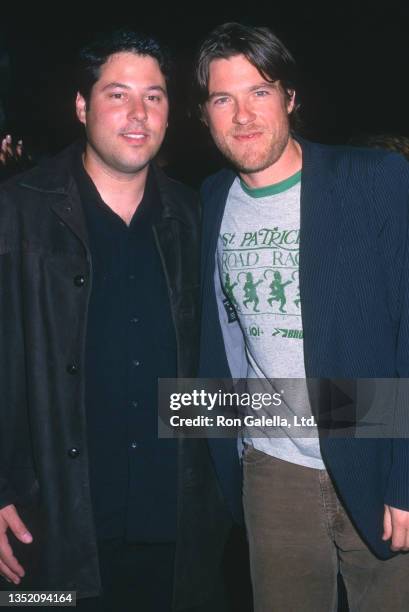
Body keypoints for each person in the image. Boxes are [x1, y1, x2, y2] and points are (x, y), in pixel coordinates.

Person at [0, 28, 230, 612]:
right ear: (82, 106)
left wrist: (367, 427)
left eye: (153, 96)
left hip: (178, 534)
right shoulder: (16, 211)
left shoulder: (197, 214)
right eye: (117, 94)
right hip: (51, 540)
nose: (137, 114)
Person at [196, 22, 409, 612]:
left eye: (259, 92)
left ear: (290, 99)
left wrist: (405, 477)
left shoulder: (375, 179)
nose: (242, 115)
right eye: (223, 99)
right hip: (272, 472)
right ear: (206, 114)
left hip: (378, 459)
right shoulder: (211, 200)